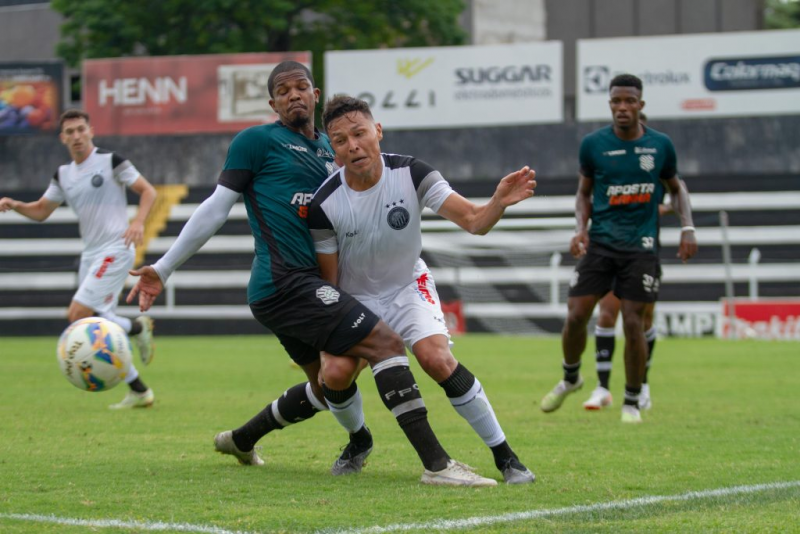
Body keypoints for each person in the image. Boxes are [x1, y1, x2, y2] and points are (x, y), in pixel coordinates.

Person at [126, 61, 496, 486]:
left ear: (315, 95)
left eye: (301, 87)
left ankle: (244, 439)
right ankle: (436, 465)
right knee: (384, 343)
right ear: (272, 103)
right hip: (285, 282)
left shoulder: (335, 148)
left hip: (316, 285)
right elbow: (215, 206)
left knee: (328, 383)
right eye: (283, 91)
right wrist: (165, 266)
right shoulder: (256, 142)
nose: (293, 95)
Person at [306, 95, 536, 484]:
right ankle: (359, 440)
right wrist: (328, 335)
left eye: (359, 133)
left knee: (437, 360)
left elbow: (474, 222)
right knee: (335, 373)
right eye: (341, 140)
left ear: (377, 132)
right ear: (333, 148)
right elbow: (330, 282)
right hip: (356, 298)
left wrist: (497, 201)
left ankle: (506, 457)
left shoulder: (412, 173)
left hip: (407, 287)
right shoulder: (324, 203)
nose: (353, 145)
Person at [540, 74, 697, 423]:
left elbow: (677, 187)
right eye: (616, 101)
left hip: (641, 248)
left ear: (641, 105)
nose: (622, 107)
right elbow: (583, 193)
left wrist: (687, 227)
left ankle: (631, 400)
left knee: (634, 323)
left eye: (629, 101)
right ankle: (571, 377)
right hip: (601, 245)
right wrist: (580, 229)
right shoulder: (593, 145)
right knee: (577, 315)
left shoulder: (660, 145)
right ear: (610, 103)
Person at [0, 109, 157, 409]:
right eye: (69, 132)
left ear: (91, 131)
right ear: (63, 138)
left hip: (116, 247)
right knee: (91, 320)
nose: (76, 136)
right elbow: (42, 210)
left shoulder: (111, 161)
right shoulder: (63, 174)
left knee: (76, 315)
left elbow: (147, 191)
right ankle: (139, 387)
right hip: (91, 254)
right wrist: (17, 204)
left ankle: (136, 330)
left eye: (80, 130)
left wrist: (138, 222)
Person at [583, 112, 678, 412]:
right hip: (610, 249)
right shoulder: (609, 162)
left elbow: (678, 195)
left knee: (641, 321)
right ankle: (601, 387)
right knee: (607, 314)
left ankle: (642, 384)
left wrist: (660, 211)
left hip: (644, 252)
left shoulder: (657, 157)